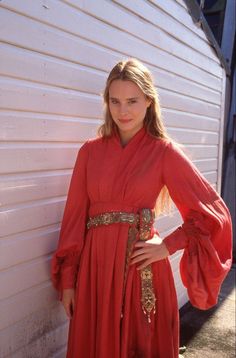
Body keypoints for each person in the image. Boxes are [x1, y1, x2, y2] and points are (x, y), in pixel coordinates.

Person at [51, 58, 232, 358]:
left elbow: (213, 213)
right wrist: (68, 282)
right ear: (106, 102)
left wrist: (169, 244)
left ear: (149, 100)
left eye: (133, 101)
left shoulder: (164, 152)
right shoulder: (89, 152)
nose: (123, 111)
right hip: (95, 273)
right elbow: (73, 220)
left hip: (142, 269)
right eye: (115, 101)